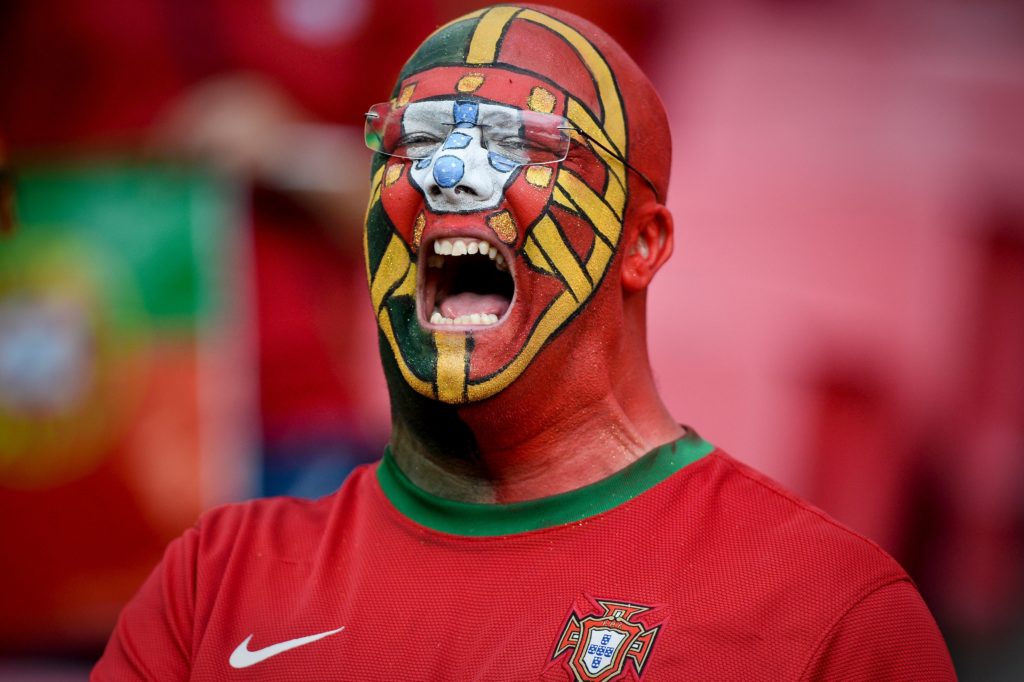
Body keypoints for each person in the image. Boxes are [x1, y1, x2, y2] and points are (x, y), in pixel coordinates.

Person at [93, 5, 956, 680]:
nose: (448, 173)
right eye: (417, 140)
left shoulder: (822, 609)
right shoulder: (215, 581)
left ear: (643, 243)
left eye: (520, 144)